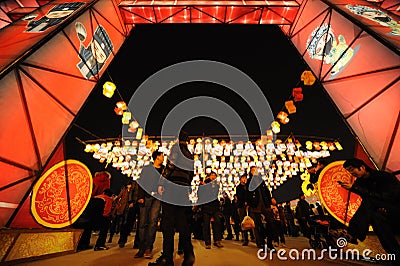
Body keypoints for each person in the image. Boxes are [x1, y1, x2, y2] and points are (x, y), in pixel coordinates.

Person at [149, 130, 195, 266]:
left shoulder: (176, 150)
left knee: (168, 222)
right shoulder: (190, 154)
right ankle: (189, 254)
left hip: (172, 187)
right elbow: (191, 174)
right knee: (182, 221)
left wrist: (161, 182)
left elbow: (170, 167)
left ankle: (167, 257)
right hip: (183, 189)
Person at [340, 158, 400, 258]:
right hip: (380, 213)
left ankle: (353, 233)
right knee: (375, 218)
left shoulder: (384, 177)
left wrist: (355, 189)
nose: (351, 173)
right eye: (348, 171)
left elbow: (389, 196)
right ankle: (396, 255)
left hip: (395, 208)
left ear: (362, 167)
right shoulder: (359, 183)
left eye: (352, 169)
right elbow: (367, 203)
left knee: (369, 201)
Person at [134, 151, 165, 259]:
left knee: (153, 222)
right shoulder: (147, 169)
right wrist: (140, 197)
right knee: (142, 223)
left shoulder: (164, 170)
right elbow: (141, 182)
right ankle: (141, 248)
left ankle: (148, 248)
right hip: (146, 197)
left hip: (157, 198)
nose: (163, 158)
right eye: (162, 156)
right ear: (157, 157)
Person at [247, 166, 274, 250]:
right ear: (250, 172)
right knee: (259, 226)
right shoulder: (249, 181)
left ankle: (270, 243)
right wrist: (250, 203)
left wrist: (270, 201)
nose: (255, 171)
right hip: (255, 205)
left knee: (270, 223)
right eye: (253, 170)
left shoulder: (261, 181)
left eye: (256, 170)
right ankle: (262, 243)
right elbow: (248, 194)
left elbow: (266, 191)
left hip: (265, 204)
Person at [201, 172, 224, 249]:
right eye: (212, 175)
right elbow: (201, 194)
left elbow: (215, 195)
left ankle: (217, 240)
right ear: (209, 176)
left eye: (215, 176)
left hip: (214, 206)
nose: (213, 177)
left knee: (217, 223)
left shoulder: (216, 185)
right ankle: (207, 242)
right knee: (206, 225)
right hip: (206, 206)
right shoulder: (204, 184)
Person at [117, 180, 140, 248]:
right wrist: (130, 202)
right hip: (134, 203)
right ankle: (122, 240)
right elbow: (131, 192)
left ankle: (137, 242)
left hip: (141, 203)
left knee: (140, 224)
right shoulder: (135, 181)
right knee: (129, 222)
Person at [235, 174, 250, 246]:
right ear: (240, 179)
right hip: (241, 206)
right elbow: (239, 196)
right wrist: (244, 201)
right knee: (243, 222)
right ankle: (245, 238)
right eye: (243, 178)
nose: (244, 179)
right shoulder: (238, 187)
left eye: (245, 178)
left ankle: (254, 237)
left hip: (249, 206)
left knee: (251, 221)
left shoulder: (248, 186)